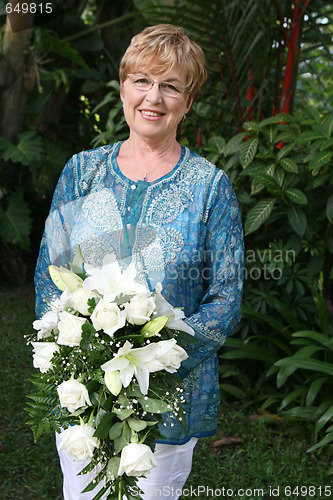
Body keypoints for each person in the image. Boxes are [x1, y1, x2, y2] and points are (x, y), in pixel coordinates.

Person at [34, 24, 244, 500]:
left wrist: (154, 364)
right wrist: (84, 357)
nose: (154, 97)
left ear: (188, 103)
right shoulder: (81, 172)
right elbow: (50, 272)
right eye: (142, 81)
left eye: (171, 86)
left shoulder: (210, 188)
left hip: (165, 402)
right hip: (82, 391)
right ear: (124, 87)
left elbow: (226, 299)